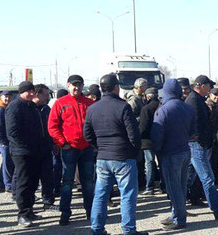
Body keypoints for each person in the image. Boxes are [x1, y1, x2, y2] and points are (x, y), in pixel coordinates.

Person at [84, 74, 147, 235]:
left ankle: (96, 229)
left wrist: (99, 147)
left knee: (100, 195)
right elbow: (134, 135)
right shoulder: (123, 106)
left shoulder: (92, 108)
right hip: (123, 157)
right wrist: (134, 151)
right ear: (116, 87)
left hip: (103, 157)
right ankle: (129, 230)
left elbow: (87, 134)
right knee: (127, 195)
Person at [185, 75, 218, 220]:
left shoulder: (196, 99)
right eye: (208, 86)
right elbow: (196, 125)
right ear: (201, 85)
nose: (210, 89)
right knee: (208, 179)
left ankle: (177, 209)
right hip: (197, 144)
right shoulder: (194, 101)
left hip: (197, 144)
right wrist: (202, 140)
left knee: (188, 178)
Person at [48, 75, 95, 226]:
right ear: (68, 86)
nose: (76, 88)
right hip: (69, 148)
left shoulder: (89, 103)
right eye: (74, 85)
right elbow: (52, 126)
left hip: (87, 148)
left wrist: (93, 144)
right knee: (67, 182)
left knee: (88, 182)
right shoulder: (60, 103)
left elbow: (96, 125)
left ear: (83, 86)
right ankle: (65, 213)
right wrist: (62, 143)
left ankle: (91, 211)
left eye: (79, 85)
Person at [151, 79, 195, 230]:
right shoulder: (188, 108)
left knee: (173, 188)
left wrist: (158, 151)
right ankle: (176, 215)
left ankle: (179, 220)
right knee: (181, 187)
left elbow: (157, 135)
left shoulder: (163, 110)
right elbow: (193, 131)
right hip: (185, 150)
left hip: (169, 153)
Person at [6, 81, 43, 227]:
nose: (33, 93)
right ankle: (22, 214)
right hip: (22, 152)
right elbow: (12, 132)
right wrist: (25, 146)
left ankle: (30, 210)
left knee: (33, 182)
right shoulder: (15, 106)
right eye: (30, 91)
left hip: (35, 151)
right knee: (23, 183)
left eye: (33, 90)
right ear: (23, 92)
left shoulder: (31, 106)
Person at [33, 84, 56, 210]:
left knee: (48, 176)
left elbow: (52, 127)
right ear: (38, 95)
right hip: (32, 150)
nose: (48, 98)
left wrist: (54, 143)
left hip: (46, 148)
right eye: (46, 95)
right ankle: (28, 206)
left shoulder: (46, 109)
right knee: (32, 179)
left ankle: (48, 201)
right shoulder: (29, 109)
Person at [139, 88, 160, 195]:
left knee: (149, 163)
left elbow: (143, 127)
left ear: (148, 96)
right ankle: (164, 185)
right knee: (162, 162)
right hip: (161, 139)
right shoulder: (162, 107)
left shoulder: (146, 109)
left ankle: (149, 187)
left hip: (147, 141)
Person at [52, 89, 69, 197]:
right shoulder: (58, 105)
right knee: (59, 169)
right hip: (63, 144)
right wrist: (61, 142)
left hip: (81, 146)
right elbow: (53, 126)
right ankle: (56, 189)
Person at [0, 91, 13, 193]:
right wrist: (2, 141)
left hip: (6, 139)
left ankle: (2, 184)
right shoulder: (0, 109)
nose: (7, 99)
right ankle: (8, 185)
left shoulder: (5, 108)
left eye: (9, 97)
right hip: (3, 140)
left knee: (5, 162)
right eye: (5, 97)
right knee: (8, 161)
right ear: (1, 97)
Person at [206, 87, 218, 185]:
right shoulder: (208, 105)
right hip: (209, 136)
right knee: (210, 159)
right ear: (210, 95)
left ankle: (216, 180)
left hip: (216, 136)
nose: (217, 97)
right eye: (215, 95)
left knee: (215, 159)